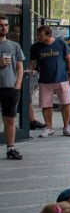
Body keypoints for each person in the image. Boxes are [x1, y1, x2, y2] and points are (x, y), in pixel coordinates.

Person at [29, 25, 70, 137]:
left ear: (49, 35)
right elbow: (32, 61)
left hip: (62, 78)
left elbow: (69, 59)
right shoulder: (36, 47)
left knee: (66, 102)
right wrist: (30, 72)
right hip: (45, 80)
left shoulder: (61, 43)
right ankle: (49, 127)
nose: (38, 37)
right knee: (46, 104)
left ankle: (67, 127)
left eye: (40, 35)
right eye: (37, 35)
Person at [0, 16, 26, 159]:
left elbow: (20, 67)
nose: (3, 27)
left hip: (10, 88)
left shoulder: (14, 46)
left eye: (6, 25)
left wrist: (18, 84)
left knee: (10, 119)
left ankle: (11, 148)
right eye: (1, 25)